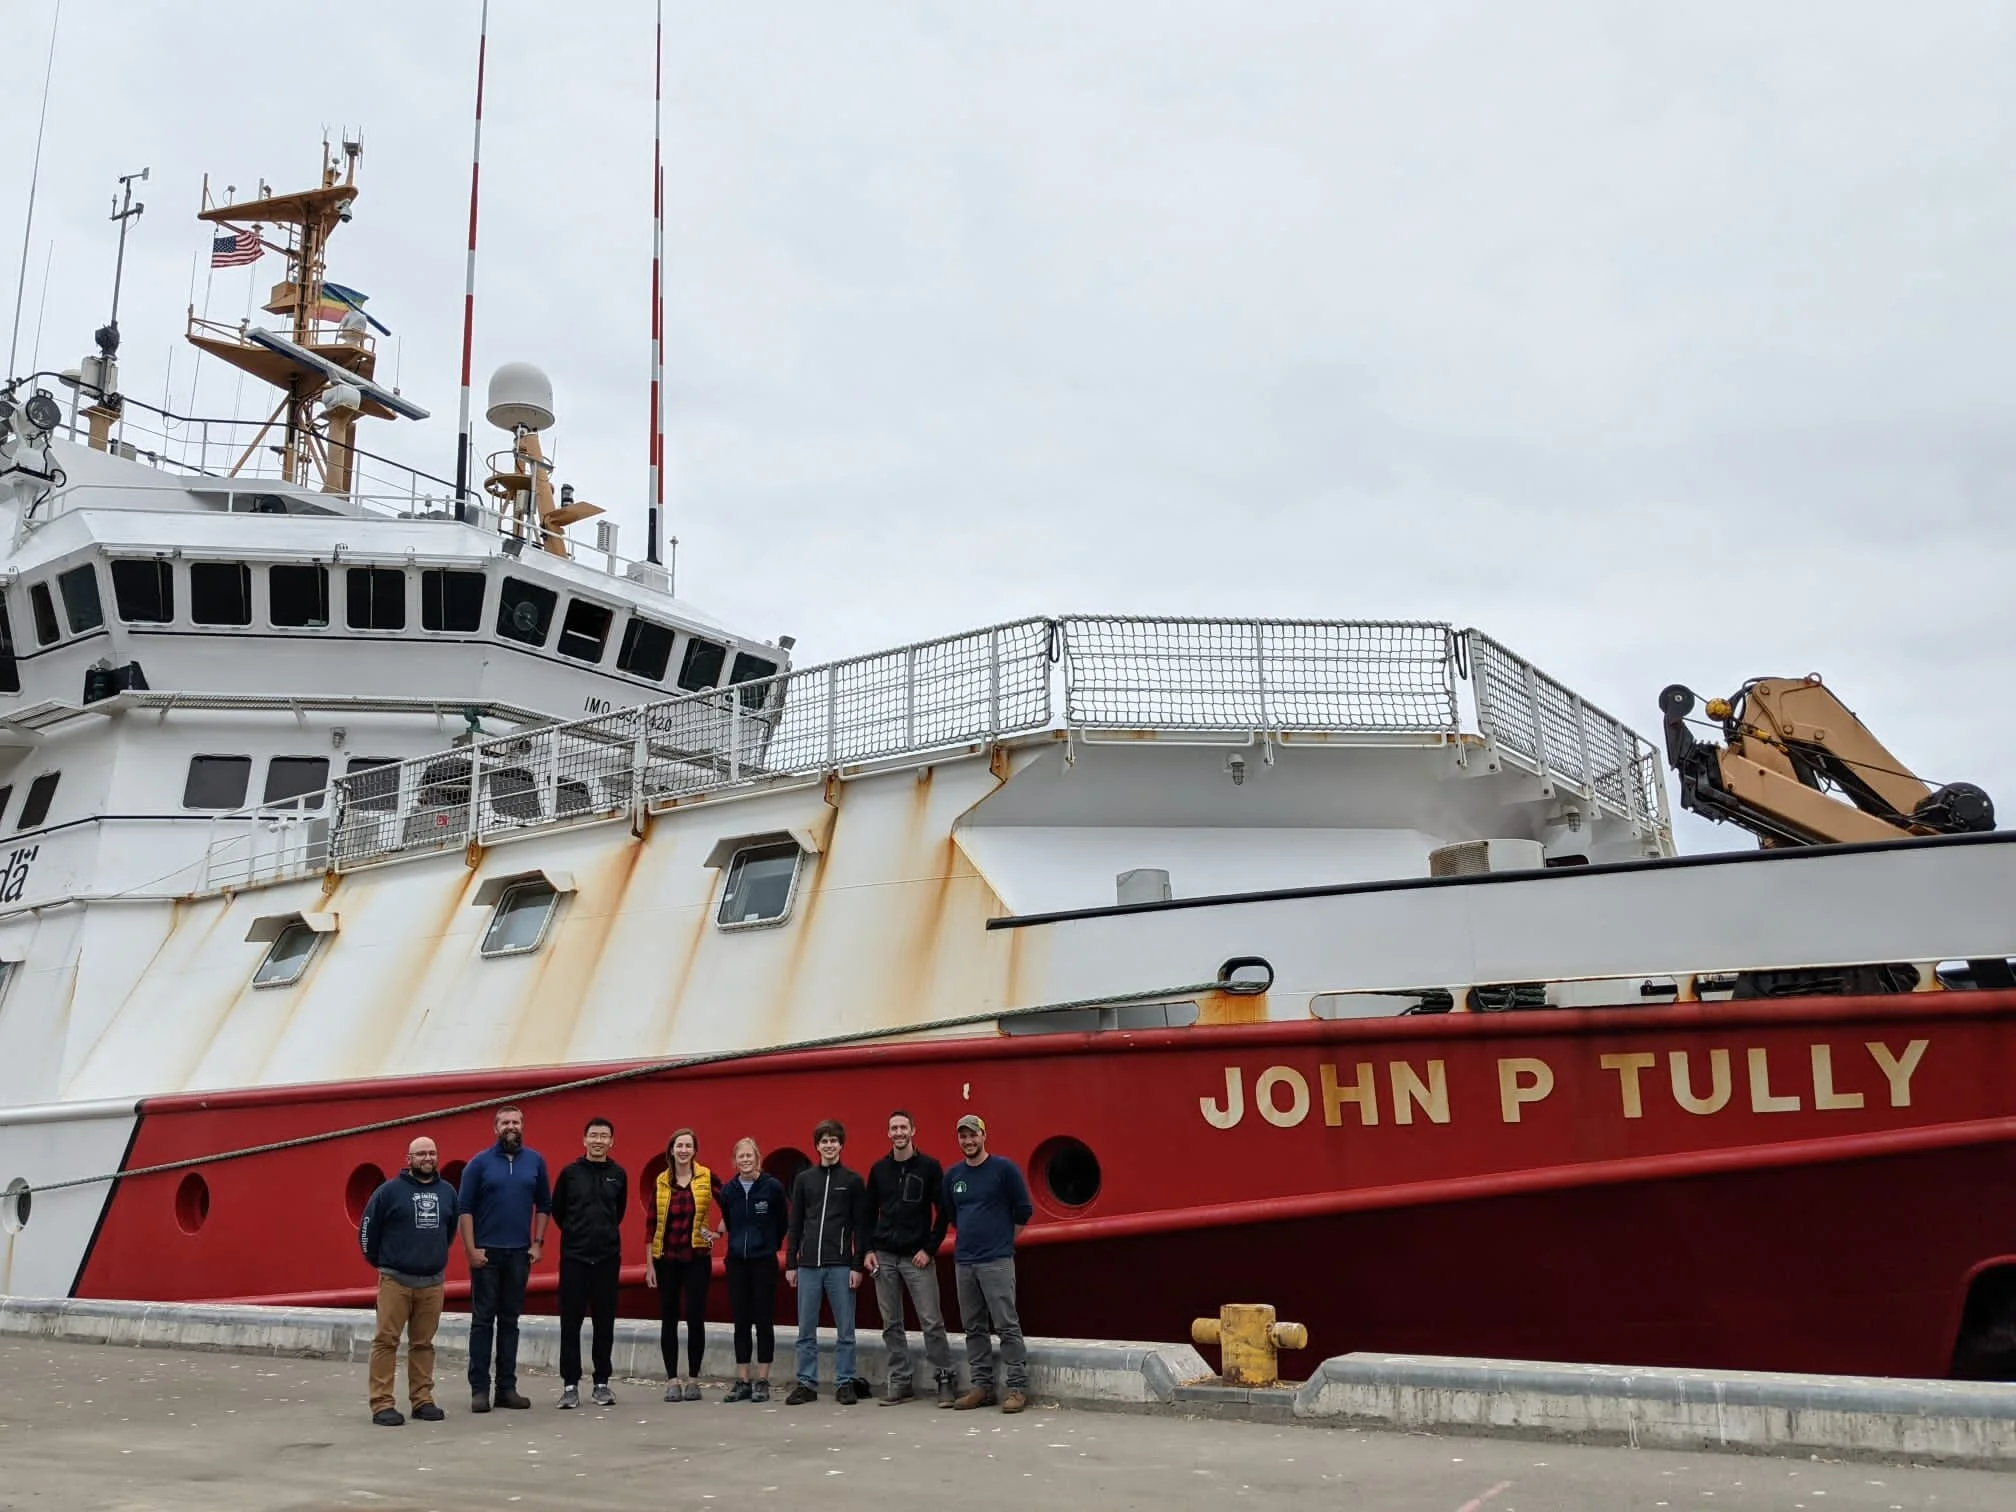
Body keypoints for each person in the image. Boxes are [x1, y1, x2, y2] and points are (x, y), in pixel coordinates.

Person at [357, 1135, 458, 1426]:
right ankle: (381, 1403)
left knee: (423, 1343)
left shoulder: (448, 1192)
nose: (427, 1158)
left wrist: (431, 1258)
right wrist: (384, 1264)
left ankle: (422, 1400)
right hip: (395, 1282)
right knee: (386, 1341)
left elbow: (448, 1232)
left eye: (432, 1153)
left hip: (432, 1283)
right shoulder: (388, 1192)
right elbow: (367, 1232)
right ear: (409, 1159)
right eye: (421, 1154)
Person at [457, 1104, 551, 1413]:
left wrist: (537, 1244)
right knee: (482, 1322)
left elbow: (544, 1205)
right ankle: (479, 1390)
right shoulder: (479, 1164)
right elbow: (465, 1209)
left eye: (516, 1122)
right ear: (495, 1128)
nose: (511, 1126)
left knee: (510, 1322)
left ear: (523, 1126)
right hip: (487, 1253)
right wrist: (471, 1250)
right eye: (505, 1122)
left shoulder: (535, 1161)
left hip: (519, 1254)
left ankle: (506, 1389)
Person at [943, 1113, 1033, 1414]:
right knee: (973, 1327)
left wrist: (1005, 1243)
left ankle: (1017, 1387)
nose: (968, 1141)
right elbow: (953, 1215)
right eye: (963, 1136)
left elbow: (1023, 1210)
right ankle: (981, 1386)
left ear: (984, 1136)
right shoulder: (953, 1176)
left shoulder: (1003, 1169)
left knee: (1007, 1324)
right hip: (964, 1261)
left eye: (973, 1135)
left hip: (996, 1259)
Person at [863, 1109, 954, 1406]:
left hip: (917, 1256)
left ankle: (944, 1379)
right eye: (894, 1128)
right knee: (891, 1322)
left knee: (931, 1320)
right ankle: (900, 1381)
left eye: (903, 1127)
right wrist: (867, 1250)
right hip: (885, 1256)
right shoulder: (878, 1170)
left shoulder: (929, 1167)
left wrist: (929, 1249)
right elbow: (866, 1214)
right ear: (888, 1133)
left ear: (913, 1130)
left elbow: (944, 1212)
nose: (899, 1133)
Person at [785, 1118, 868, 1406]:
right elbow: (795, 1224)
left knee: (845, 1329)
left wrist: (857, 1266)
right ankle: (806, 1382)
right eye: (824, 1141)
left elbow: (861, 1226)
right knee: (805, 1329)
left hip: (840, 1264)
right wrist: (791, 1263)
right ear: (817, 1146)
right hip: (808, 1265)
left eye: (834, 1140)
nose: (829, 1145)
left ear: (841, 1145)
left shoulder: (853, 1181)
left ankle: (845, 1381)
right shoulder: (805, 1180)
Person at [550, 1115, 628, 1408]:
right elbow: (558, 1211)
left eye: (603, 1136)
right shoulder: (569, 1173)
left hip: (607, 1259)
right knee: (570, 1323)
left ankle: (602, 1383)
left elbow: (618, 1212)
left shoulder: (619, 1174)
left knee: (604, 1323)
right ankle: (570, 1385)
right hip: (574, 1258)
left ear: (611, 1141)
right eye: (593, 1136)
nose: (598, 1141)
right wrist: (576, 1235)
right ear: (584, 1140)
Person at [713, 1136, 789, 1402]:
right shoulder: (729, 1191)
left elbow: (782, 1222)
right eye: (740, 1157)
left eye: (749, 1156)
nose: (745, 1161)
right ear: (735, 1161)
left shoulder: (772, 1188)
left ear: (757, 1158)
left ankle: (763, 1379)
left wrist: (768, 1244)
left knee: (764, 1320)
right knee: (741, 1321)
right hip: (736, 1262)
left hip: (763, 1261)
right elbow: (730, 1220)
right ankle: (743, 1379)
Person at [644, 1127, 717, 1402]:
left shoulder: (707, 1177)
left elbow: (730, 1202)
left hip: (697, 1258)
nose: (684, 1150)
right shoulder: (661, 1181)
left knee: (696, 1318)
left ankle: (694, 1379)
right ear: (671, 1150)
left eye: (688, 1146)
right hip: (667, 1260)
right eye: (679, 1146)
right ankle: (672, 1379)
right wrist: (650, 1263)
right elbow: (651, 1223)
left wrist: (717, 1233)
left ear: (694, 1151)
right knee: (669, 1318)